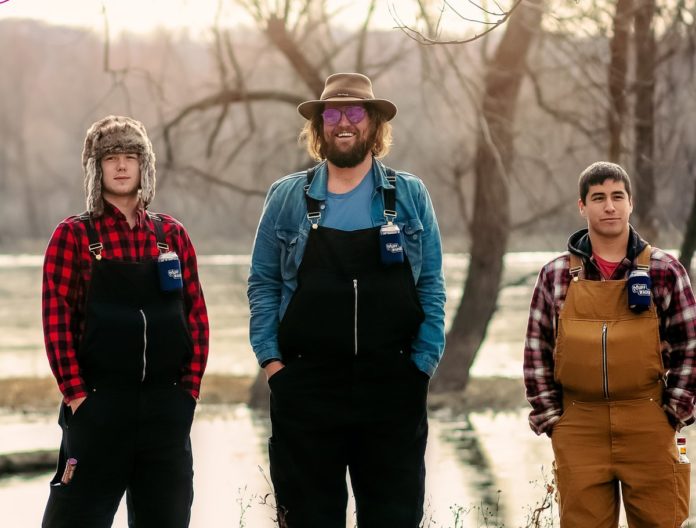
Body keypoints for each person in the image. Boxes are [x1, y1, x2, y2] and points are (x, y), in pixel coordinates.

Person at [247, 72, 446, 527]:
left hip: (393, 386)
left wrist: (422, 364)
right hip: (306, 386)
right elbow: (262, 282)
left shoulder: (410, 195)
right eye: (332, 113)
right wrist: (273, 364)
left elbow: (431, 284)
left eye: (355, 112)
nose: (344, 122)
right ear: (318, 128)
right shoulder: (288, 198)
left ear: (375, 125)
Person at [41, 115, 209, 528]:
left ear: (143, 166)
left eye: (130, 157)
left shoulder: (171, 236)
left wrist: (188, 392)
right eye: (110, 158)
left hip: (165, 412)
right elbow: (56, 322)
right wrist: (78, 397)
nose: (120, 166)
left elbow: (197, 319)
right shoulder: (74, 237)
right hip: (98, 407)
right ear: (96, 169)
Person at [523, 161, 696, 527]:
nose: (610, 206)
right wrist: (555, 421)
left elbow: (691, 348)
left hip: (648, 420)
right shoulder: (555, 274)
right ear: (582, 206)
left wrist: (673, 414)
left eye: (618, 196)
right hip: (578, 425)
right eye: (598, 197)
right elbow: (537, 352)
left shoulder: (665, 270)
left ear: (631, 203)